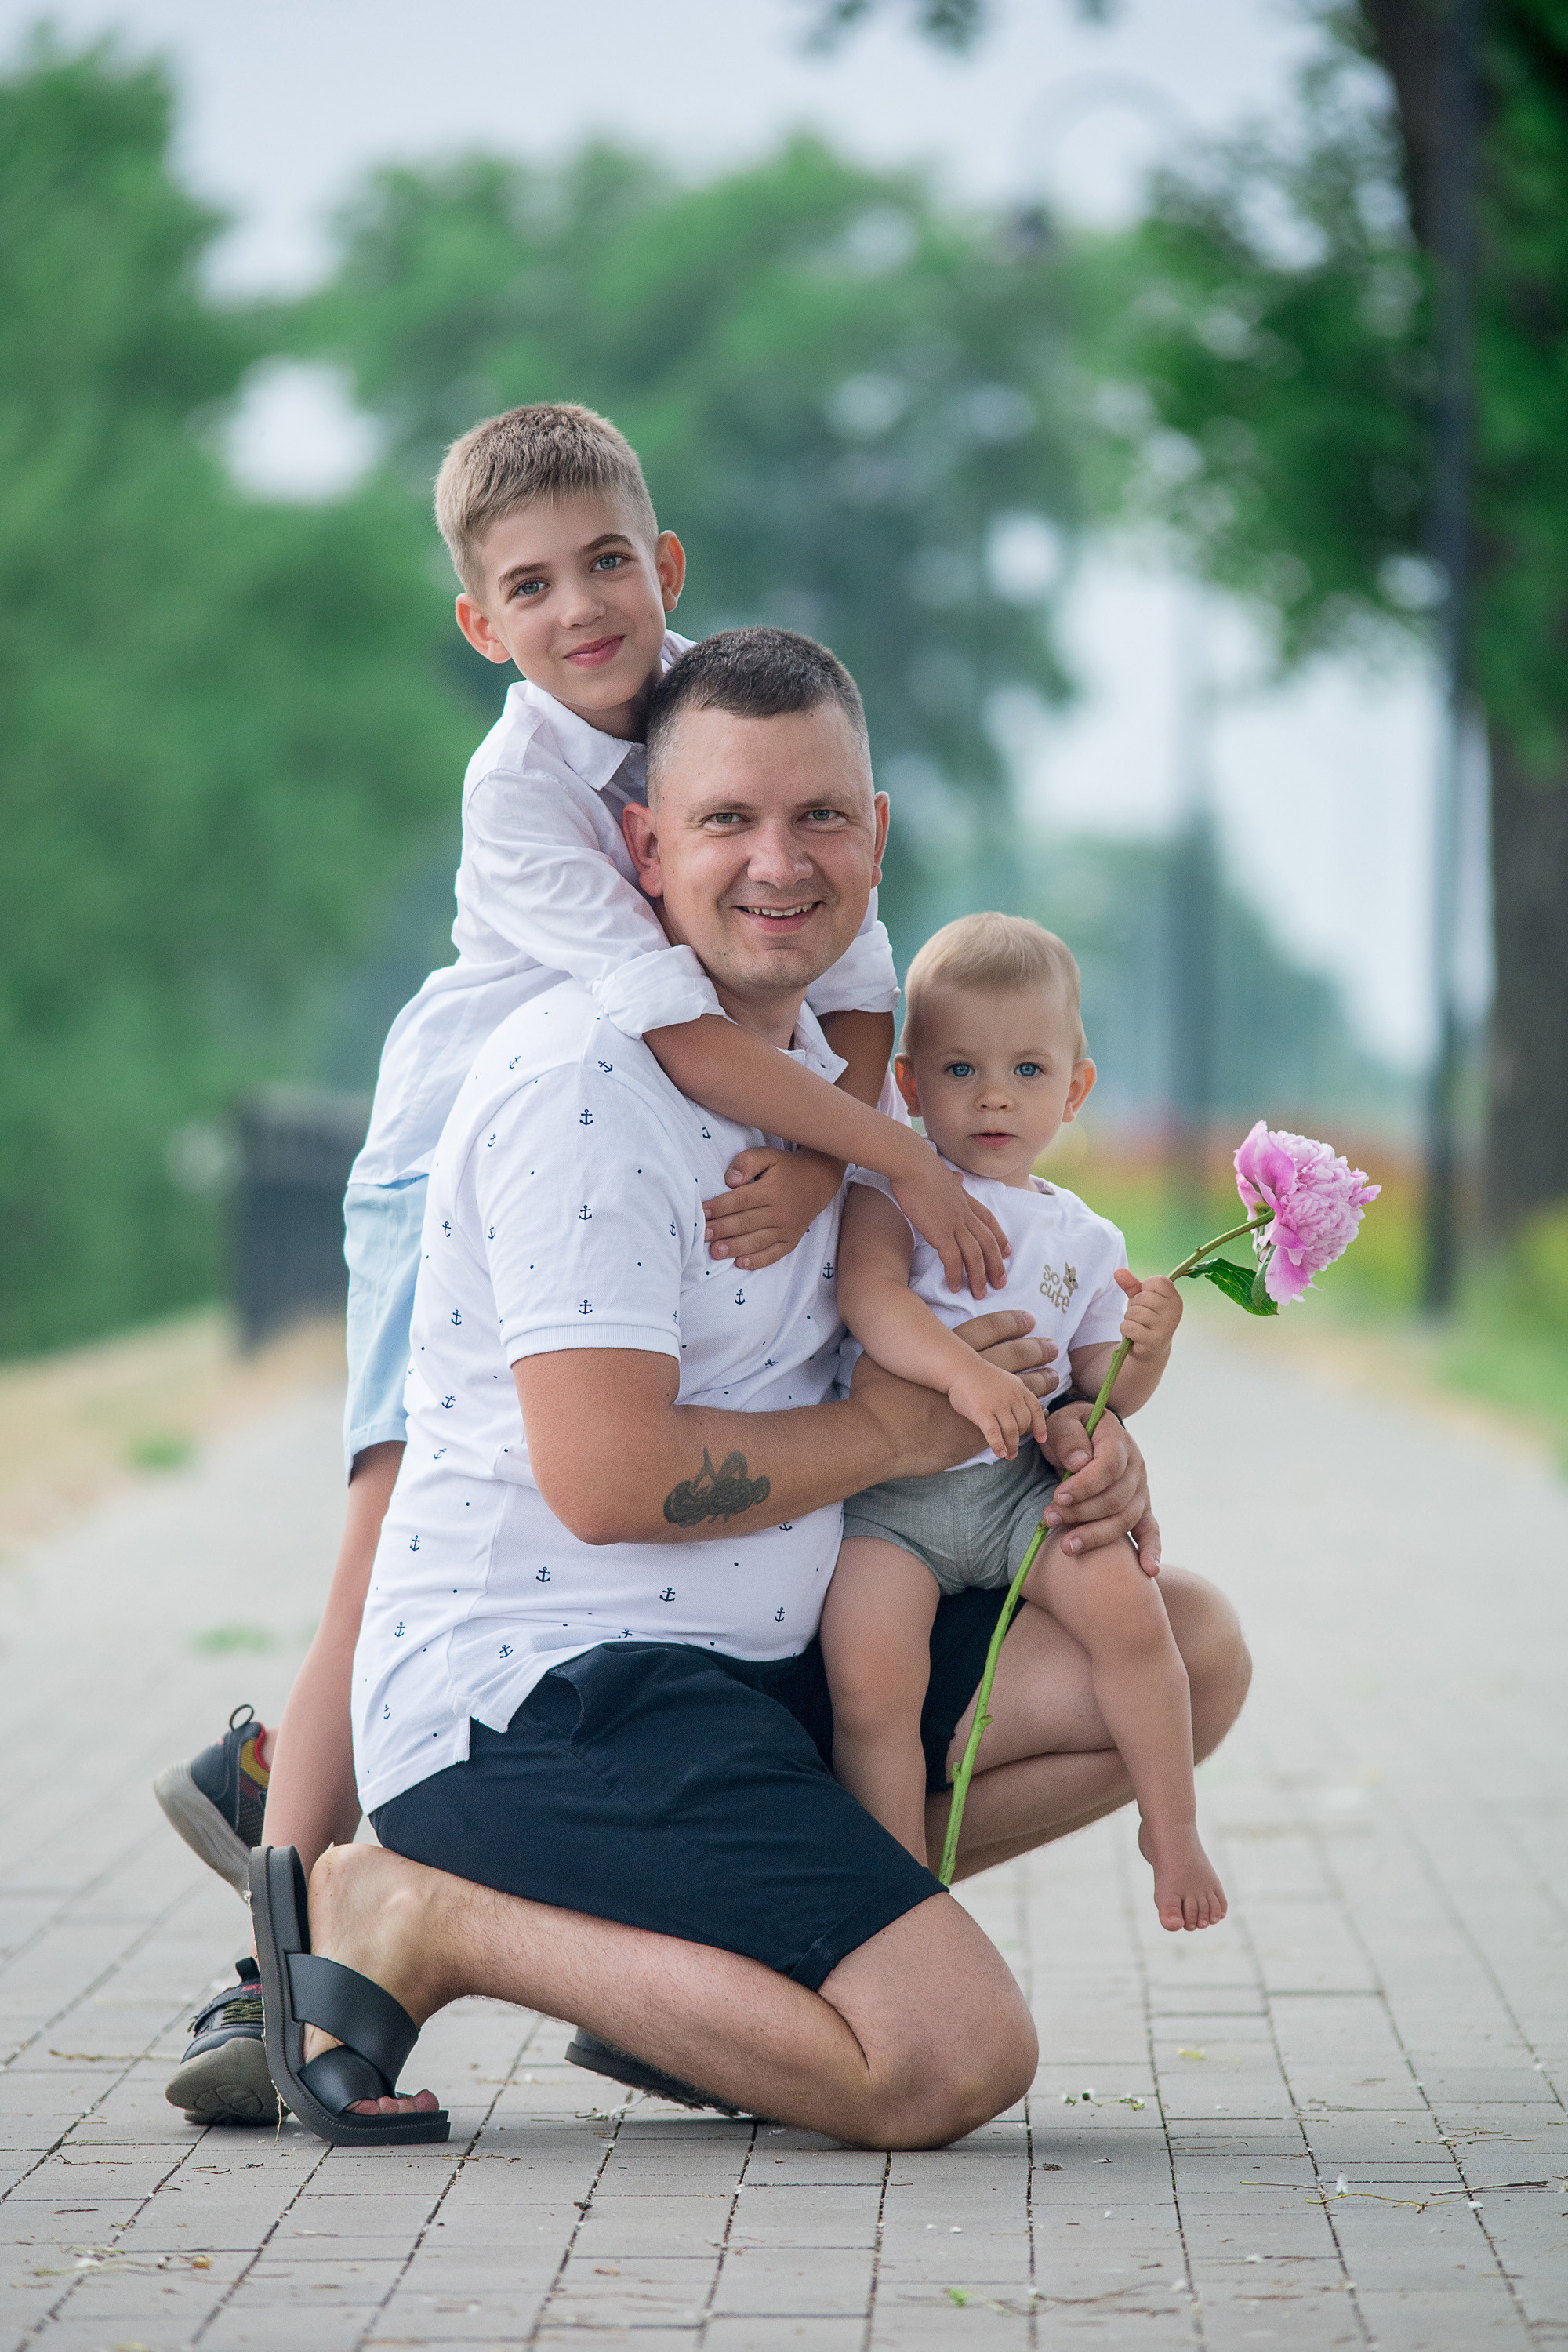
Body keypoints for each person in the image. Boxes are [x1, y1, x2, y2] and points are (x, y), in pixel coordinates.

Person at [244, 627, 1250, 2150]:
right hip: (553, 1697)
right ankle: (416, 1912)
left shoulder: (841, 1097)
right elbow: (613, 1481)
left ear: (876, 834)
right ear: (646, 848)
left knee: (1181, 1649)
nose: (778, 863)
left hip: (762, 1661)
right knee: (944, 2060)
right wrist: (909, 1428)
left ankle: (711, 1995)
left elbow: (971, 1344)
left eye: (819, 818)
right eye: (725, 821)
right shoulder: (585, 1086)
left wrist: (1075, 1445)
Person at [156, 406, 1009, 2124]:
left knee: (1154, 1650)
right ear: (483, 624)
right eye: (530, 586)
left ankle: (686, 1985)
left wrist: (841, 1149)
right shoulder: (525, 786)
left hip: (681, 1108)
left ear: (664, 563)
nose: (581, 609)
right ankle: (303, 1904)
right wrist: (893, 1152)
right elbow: (679, 1035)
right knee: (381, 1528)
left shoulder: (722, 705)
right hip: (450, 1148)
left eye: (606, 563)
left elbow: (857, 985)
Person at [822, 913, 1226, 1932]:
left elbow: (1102, 1390)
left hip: (1016, 1498)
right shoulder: (894, 1190)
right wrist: (963, 1376)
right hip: (892, 1508)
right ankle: (899, 1899)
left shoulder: (1085, 1237)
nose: (993, 1095)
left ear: (1074, 1090)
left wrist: (1147, 1345)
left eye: (1028, 1070)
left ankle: (1169, 1824)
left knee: (1134, 1621)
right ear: (909, 1087)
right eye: (959, 1069)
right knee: (870, 1680)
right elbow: (874, 1304)